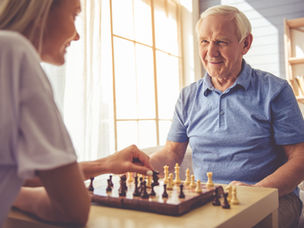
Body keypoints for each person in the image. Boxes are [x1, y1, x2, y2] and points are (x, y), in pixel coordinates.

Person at [0, 0, 152, 227]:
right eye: (74, 16)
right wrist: (16, 196)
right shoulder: (15, 51)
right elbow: (73, 210)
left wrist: (105, 165)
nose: (77, 35)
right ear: (41, 12)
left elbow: (21, 174)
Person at [150, 5, 304, 228]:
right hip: (207, 199)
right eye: (204, 41)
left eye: (221, 42)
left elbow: (300, 159)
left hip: (274, 198)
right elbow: (172, 152)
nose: (210, 53)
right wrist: (142, 165)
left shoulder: (275, 91)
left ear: (245, 44)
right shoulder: (187, 97)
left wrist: (256, 192)